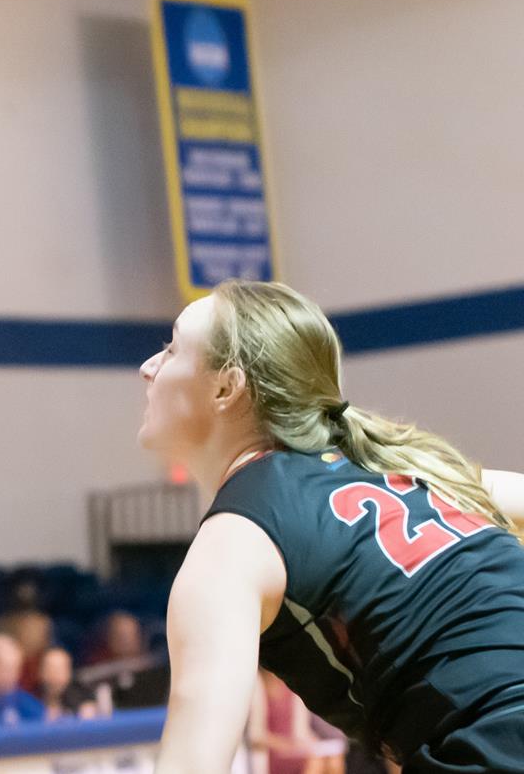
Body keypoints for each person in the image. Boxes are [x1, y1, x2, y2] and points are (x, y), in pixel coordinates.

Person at [141, 280, 524, 773]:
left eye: (171, 349)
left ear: (225, 387)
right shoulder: (402, 469)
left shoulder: (232, 546)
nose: (147, 367)